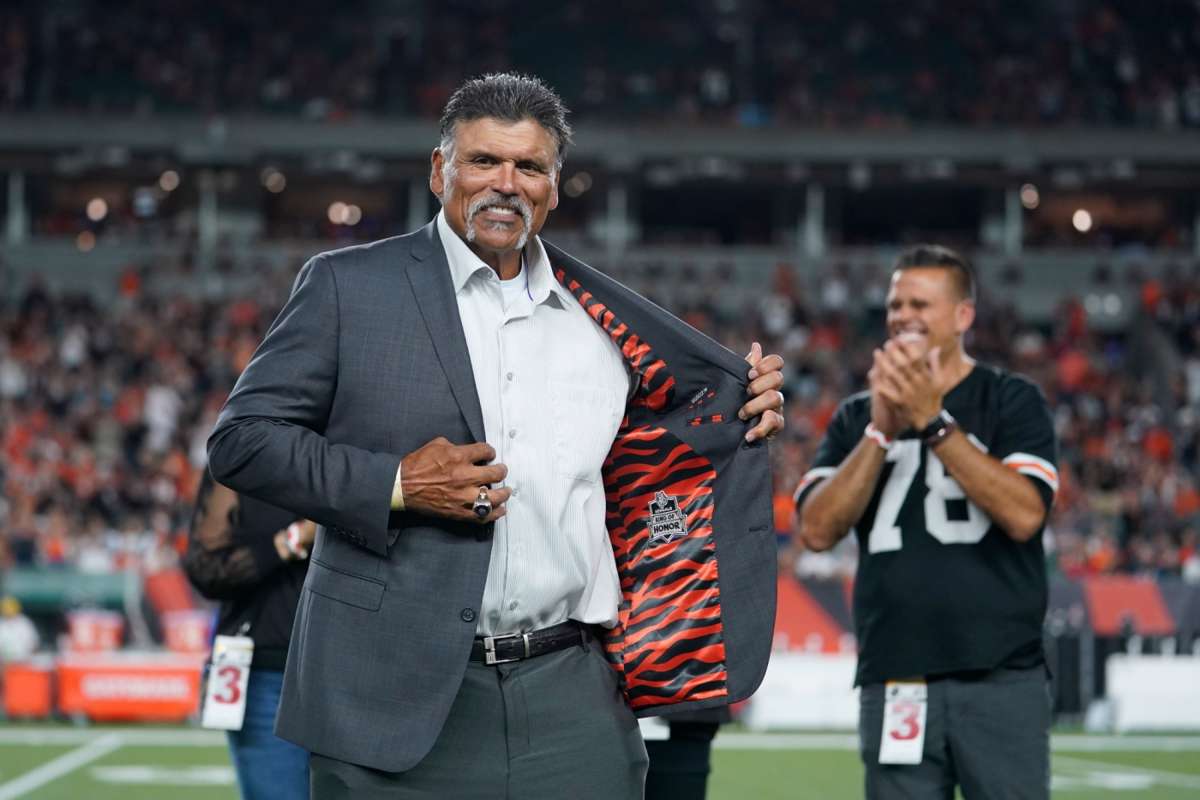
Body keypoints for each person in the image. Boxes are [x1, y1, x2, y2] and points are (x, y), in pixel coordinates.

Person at [207, 72, 785, 799]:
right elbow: (242, 441)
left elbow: (663, 452)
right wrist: (396, 485)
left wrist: (742, 409)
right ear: (439, 170)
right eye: (483, 160)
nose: (505, 184)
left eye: (529, 167)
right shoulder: (347, 286)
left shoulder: (603, 323)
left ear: (553, 186)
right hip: (390, 693)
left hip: (573, 693)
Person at [795, 245, 1058, 800]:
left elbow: (1025, 514)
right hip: (897, 675)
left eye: (921, 304)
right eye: (896, 304)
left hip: (1000, 673)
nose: (903, 316)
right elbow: (816, 530)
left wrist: (933, 422)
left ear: (963, 316)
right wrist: (880, 432)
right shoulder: (856, 415)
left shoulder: (1010, 399)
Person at [184, 468, 314, 800]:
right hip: (263, 669)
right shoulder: (239, 460)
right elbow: (205, 568)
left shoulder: (351, 452)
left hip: (348, 669)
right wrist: (294, 539)